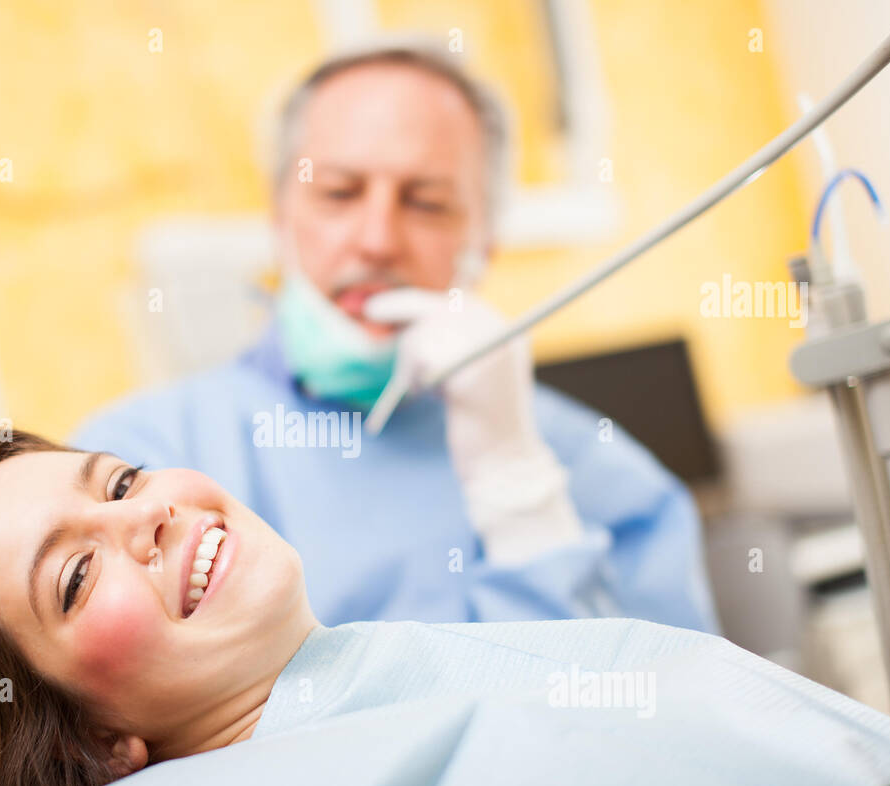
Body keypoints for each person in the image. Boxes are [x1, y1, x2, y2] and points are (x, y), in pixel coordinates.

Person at [0, 426, 890, 786]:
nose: (147, 516)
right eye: (76, 576)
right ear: (90, 739)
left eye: (123, 479)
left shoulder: (364, 695)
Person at [70, 41, 717, 633]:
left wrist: (518, 488)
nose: (377, 239)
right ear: (279, 214)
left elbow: (669, 723)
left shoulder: (597, 469)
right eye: (338, 193)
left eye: (427, 203)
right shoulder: (138, 460)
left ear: (483, 243)